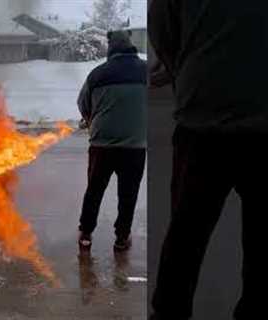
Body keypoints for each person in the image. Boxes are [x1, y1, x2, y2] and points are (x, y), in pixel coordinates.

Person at [148, 1, 268, 319]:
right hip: (247, 121)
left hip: (203, 116)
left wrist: (188, 66)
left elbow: (163, 30)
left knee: (186, 234)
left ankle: (169, 312)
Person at [77, 30, 147, 252]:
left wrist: (92, 121)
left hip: (102, 146)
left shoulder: (97, 74)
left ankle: (86, 234)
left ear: (111, 49)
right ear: (131, 47)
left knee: (94, 190)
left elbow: (83, 104)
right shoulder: (146, 71)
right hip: (134, 147)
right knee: (128, 194)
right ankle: (121, 238)